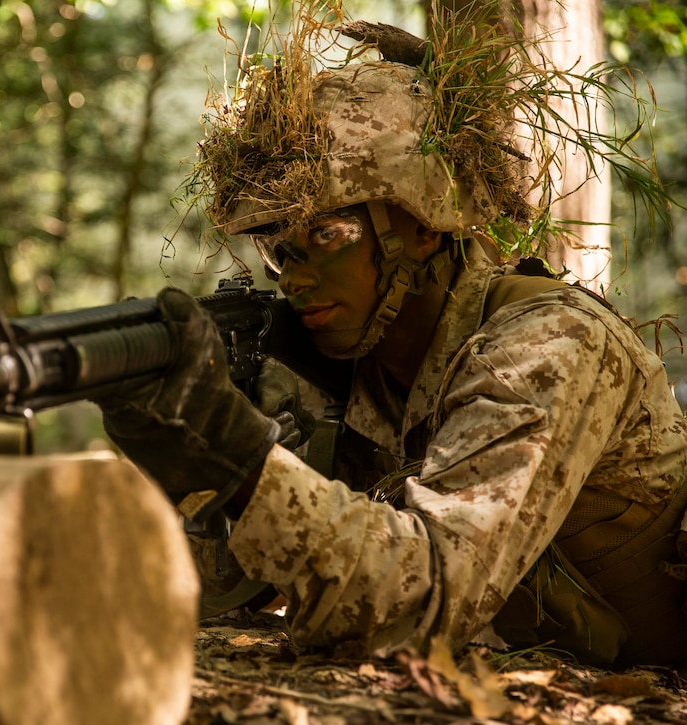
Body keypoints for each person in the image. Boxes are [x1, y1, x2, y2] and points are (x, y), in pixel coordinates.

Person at [94, 13, 687, 667]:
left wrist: (245, 460)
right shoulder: (353, 364)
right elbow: (237, 589)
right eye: (275, 248)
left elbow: (423, 600)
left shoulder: (545, 347)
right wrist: (189, 470)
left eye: (327, 235)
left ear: (422, 229)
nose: (294, 277)